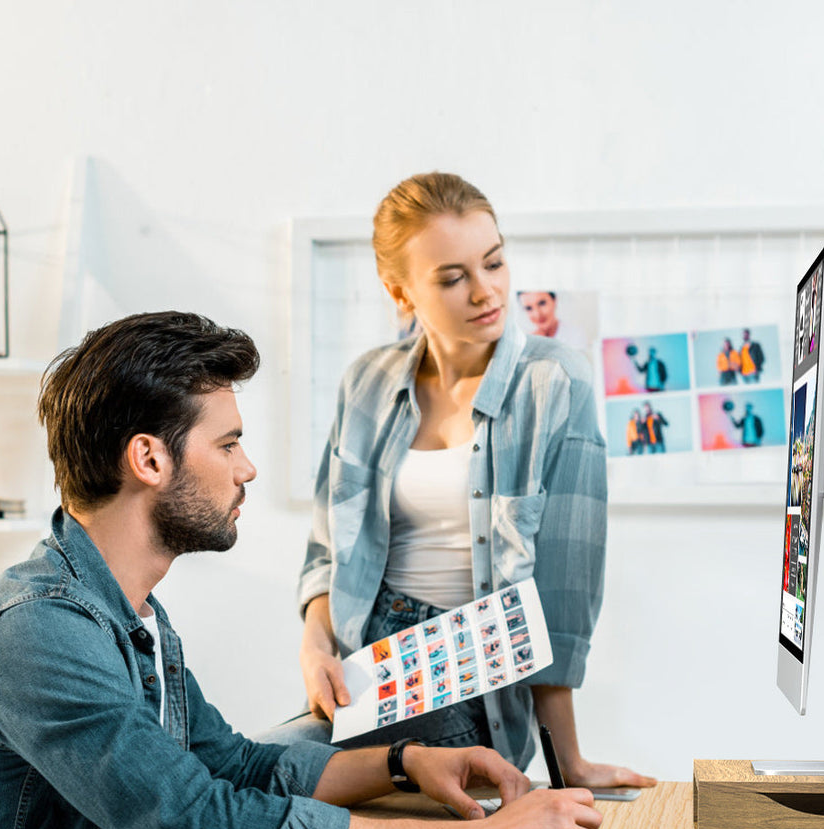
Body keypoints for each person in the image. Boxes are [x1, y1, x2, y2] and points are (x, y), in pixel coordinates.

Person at [0, 311, 603, 829]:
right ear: (149, 460)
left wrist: (403, 763)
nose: (247, 468)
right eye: (227, 443)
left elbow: (230, 768)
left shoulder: (130, 617)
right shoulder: (37, 631)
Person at [276, 172, 653, 793]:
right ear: (400, 292)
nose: (487, 292)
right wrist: (314, 647)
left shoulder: (556, 383)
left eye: (495, 262)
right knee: (242, 776)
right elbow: (326, 551)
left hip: (470, 675)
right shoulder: (366, 382)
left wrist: (568, 765)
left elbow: (561, 595)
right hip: (364, 668)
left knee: (247, 777)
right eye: (453, 278)